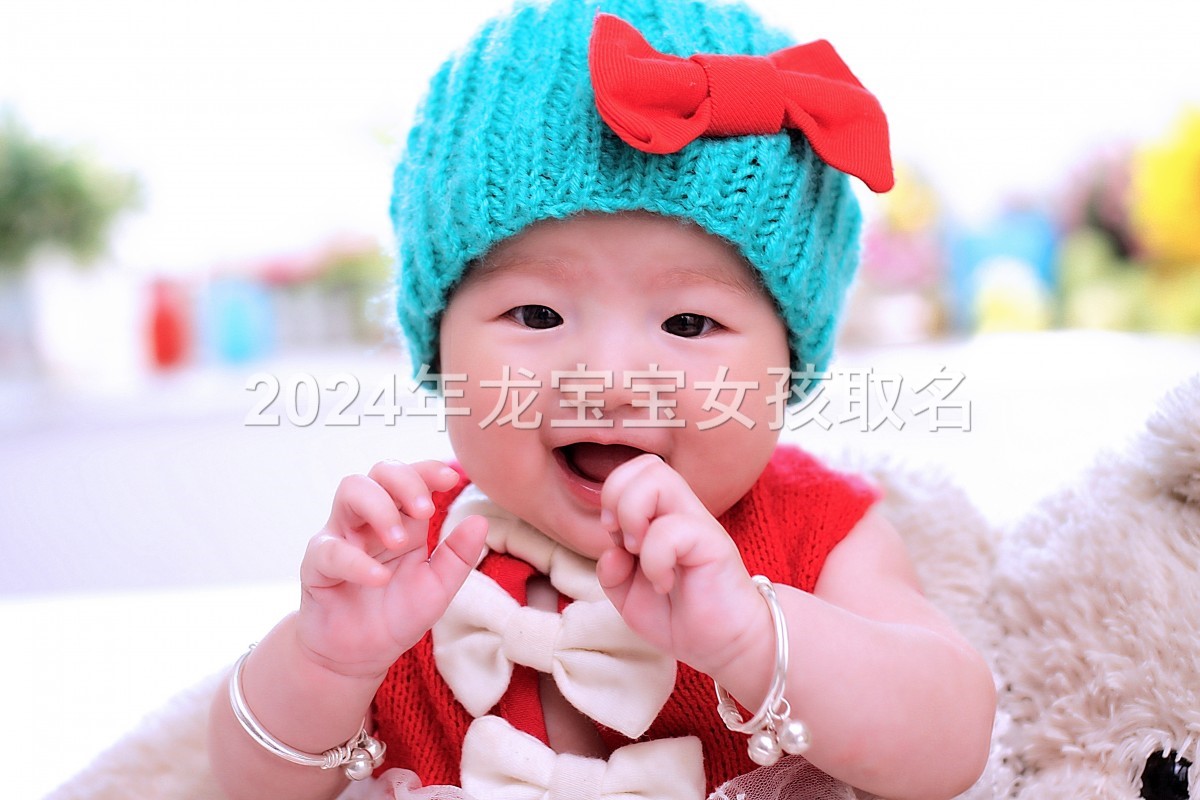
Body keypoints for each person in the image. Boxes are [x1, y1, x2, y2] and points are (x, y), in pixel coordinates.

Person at [208, 1, 996, 799]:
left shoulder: (817, 531)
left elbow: (953, 742)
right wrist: (326, 663)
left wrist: (755, 638)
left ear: (786, 366)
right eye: (537, 315)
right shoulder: (407, 556)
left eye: (689, 323)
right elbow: (243, 787)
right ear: (438, 348)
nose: (610, 380)